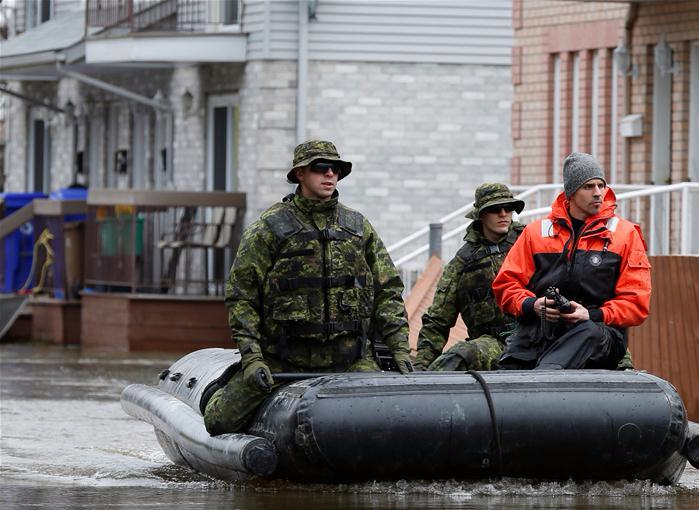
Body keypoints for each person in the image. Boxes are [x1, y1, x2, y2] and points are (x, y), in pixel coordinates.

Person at [204, 140, 413, 435]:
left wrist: (399, 351)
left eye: (336, 169)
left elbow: (388, 291)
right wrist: (252, 359)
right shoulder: (269, 228)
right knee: (219, 422)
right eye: (321, 167)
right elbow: (242, 297)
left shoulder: (357, 227)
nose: (330, 175)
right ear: (300, 173)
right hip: (283, 361)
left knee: (397, 421)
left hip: (348, 361)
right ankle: (216, 390)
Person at [492, 152, 651, 370]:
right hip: (541, 330)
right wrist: (533, 305)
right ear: (571, 193)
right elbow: (506, 285)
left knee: (577, 343)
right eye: (588, 187)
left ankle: (543, 380)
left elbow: (636, 303)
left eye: (600, 186)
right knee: (507, 373)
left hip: (598, 333)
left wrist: (592, 314)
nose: (598, 193)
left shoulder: (625, 234)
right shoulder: (536, 232)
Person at [413, 183, 525, 371]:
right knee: (461, 355)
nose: (504, 214)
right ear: (480, 215)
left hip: (535, 336)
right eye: (495, 209)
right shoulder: (463, 262)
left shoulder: (530, 241)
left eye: (509, 208)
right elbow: (437, 320)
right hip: (495, 344)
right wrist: (419, 370)